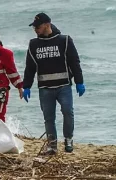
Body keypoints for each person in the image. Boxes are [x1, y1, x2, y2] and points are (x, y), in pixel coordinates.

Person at [22, 13, 85, 155]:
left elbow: (74, 62)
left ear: (47, 24)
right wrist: (26, 86)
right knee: (48, 118)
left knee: (68, 112)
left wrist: (79, 82)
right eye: (34, 27)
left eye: (38, 26)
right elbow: (30, 67)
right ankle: (52, 145)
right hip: (45, 88)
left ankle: (68, 139)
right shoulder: (34, 44)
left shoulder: (65, 40)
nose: (35, 29)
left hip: (64, 86)